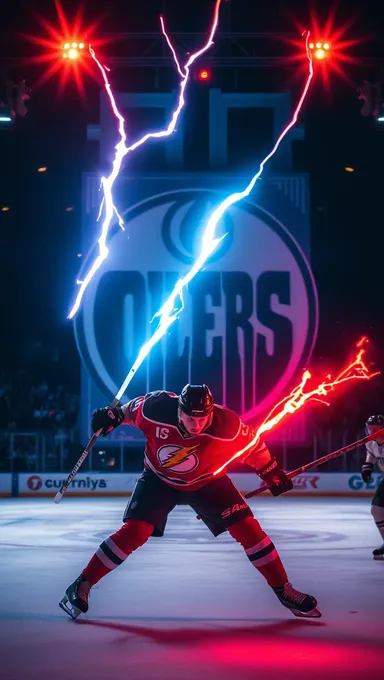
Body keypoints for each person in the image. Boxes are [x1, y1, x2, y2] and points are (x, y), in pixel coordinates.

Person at [60, 385, 321, 620]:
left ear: (211, 412)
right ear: (179, 410)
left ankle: (283, 588)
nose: (196, 425)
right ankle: (82, 583)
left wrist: (270, 471)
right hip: (159, 478)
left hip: (209, 480)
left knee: (249, 528)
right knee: (135, 532)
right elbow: (128, 411)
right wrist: (111, 416)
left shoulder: (227, 423)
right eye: (190, 418)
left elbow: (254, 446)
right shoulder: (156, 407)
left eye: (202, 419)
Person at [361, 414, 384, 559]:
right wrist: (368, 466)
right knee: (376, 509)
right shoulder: (370, 443)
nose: (371, 432)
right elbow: (372, 454)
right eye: (370, 428)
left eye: (375, 429)